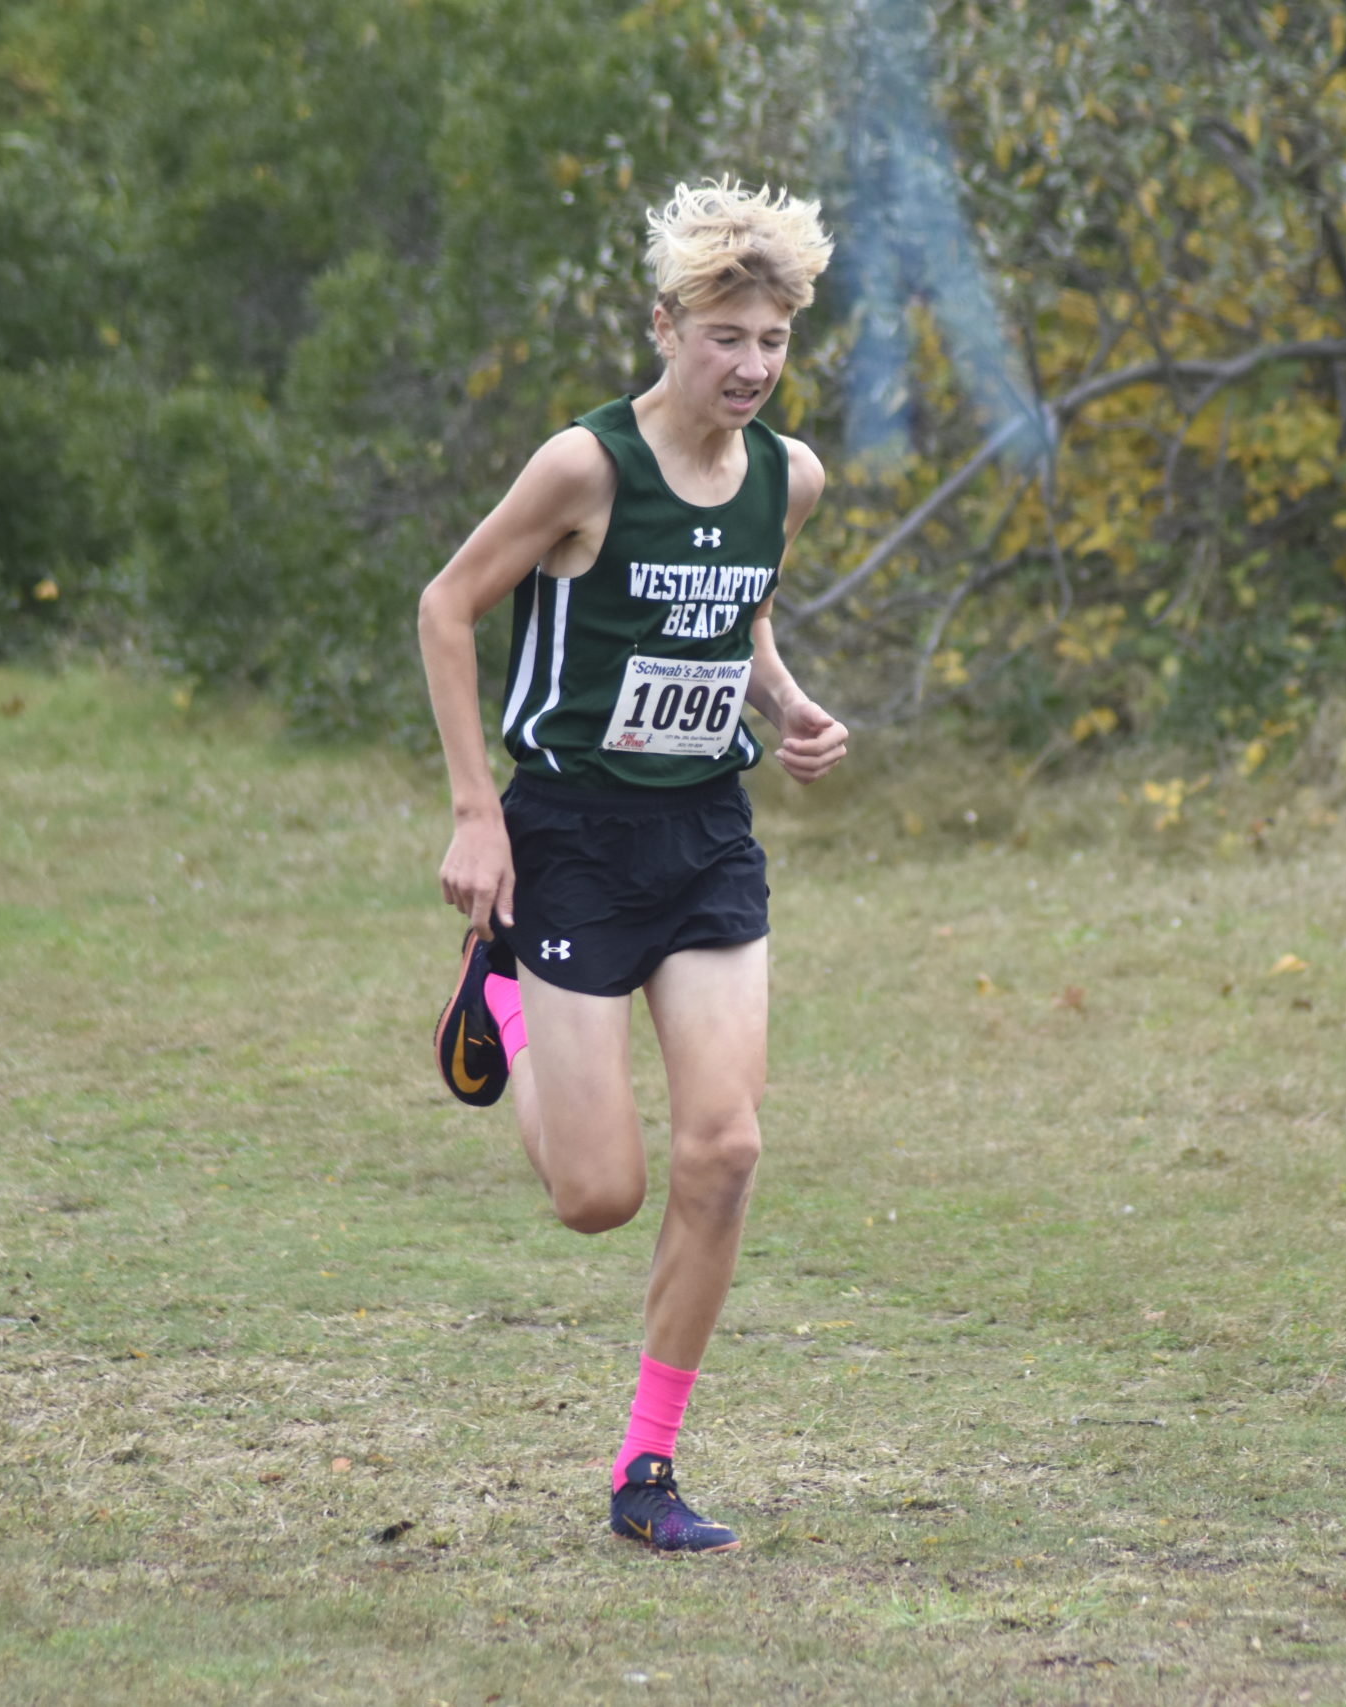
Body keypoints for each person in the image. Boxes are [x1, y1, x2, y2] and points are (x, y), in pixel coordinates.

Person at [418, 179, 847, 1554]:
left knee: (724, 1150)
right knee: (598, 1196)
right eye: (726, 335)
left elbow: (741, 609)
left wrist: (783, 707)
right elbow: (444, 606)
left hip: (704, 835)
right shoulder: (584, 468)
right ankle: (499, 997)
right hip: (573, 838)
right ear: (666, 327)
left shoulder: (789, 474)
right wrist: (479, 812)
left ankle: (646, 1472)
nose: (751, 366)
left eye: (772, 340)